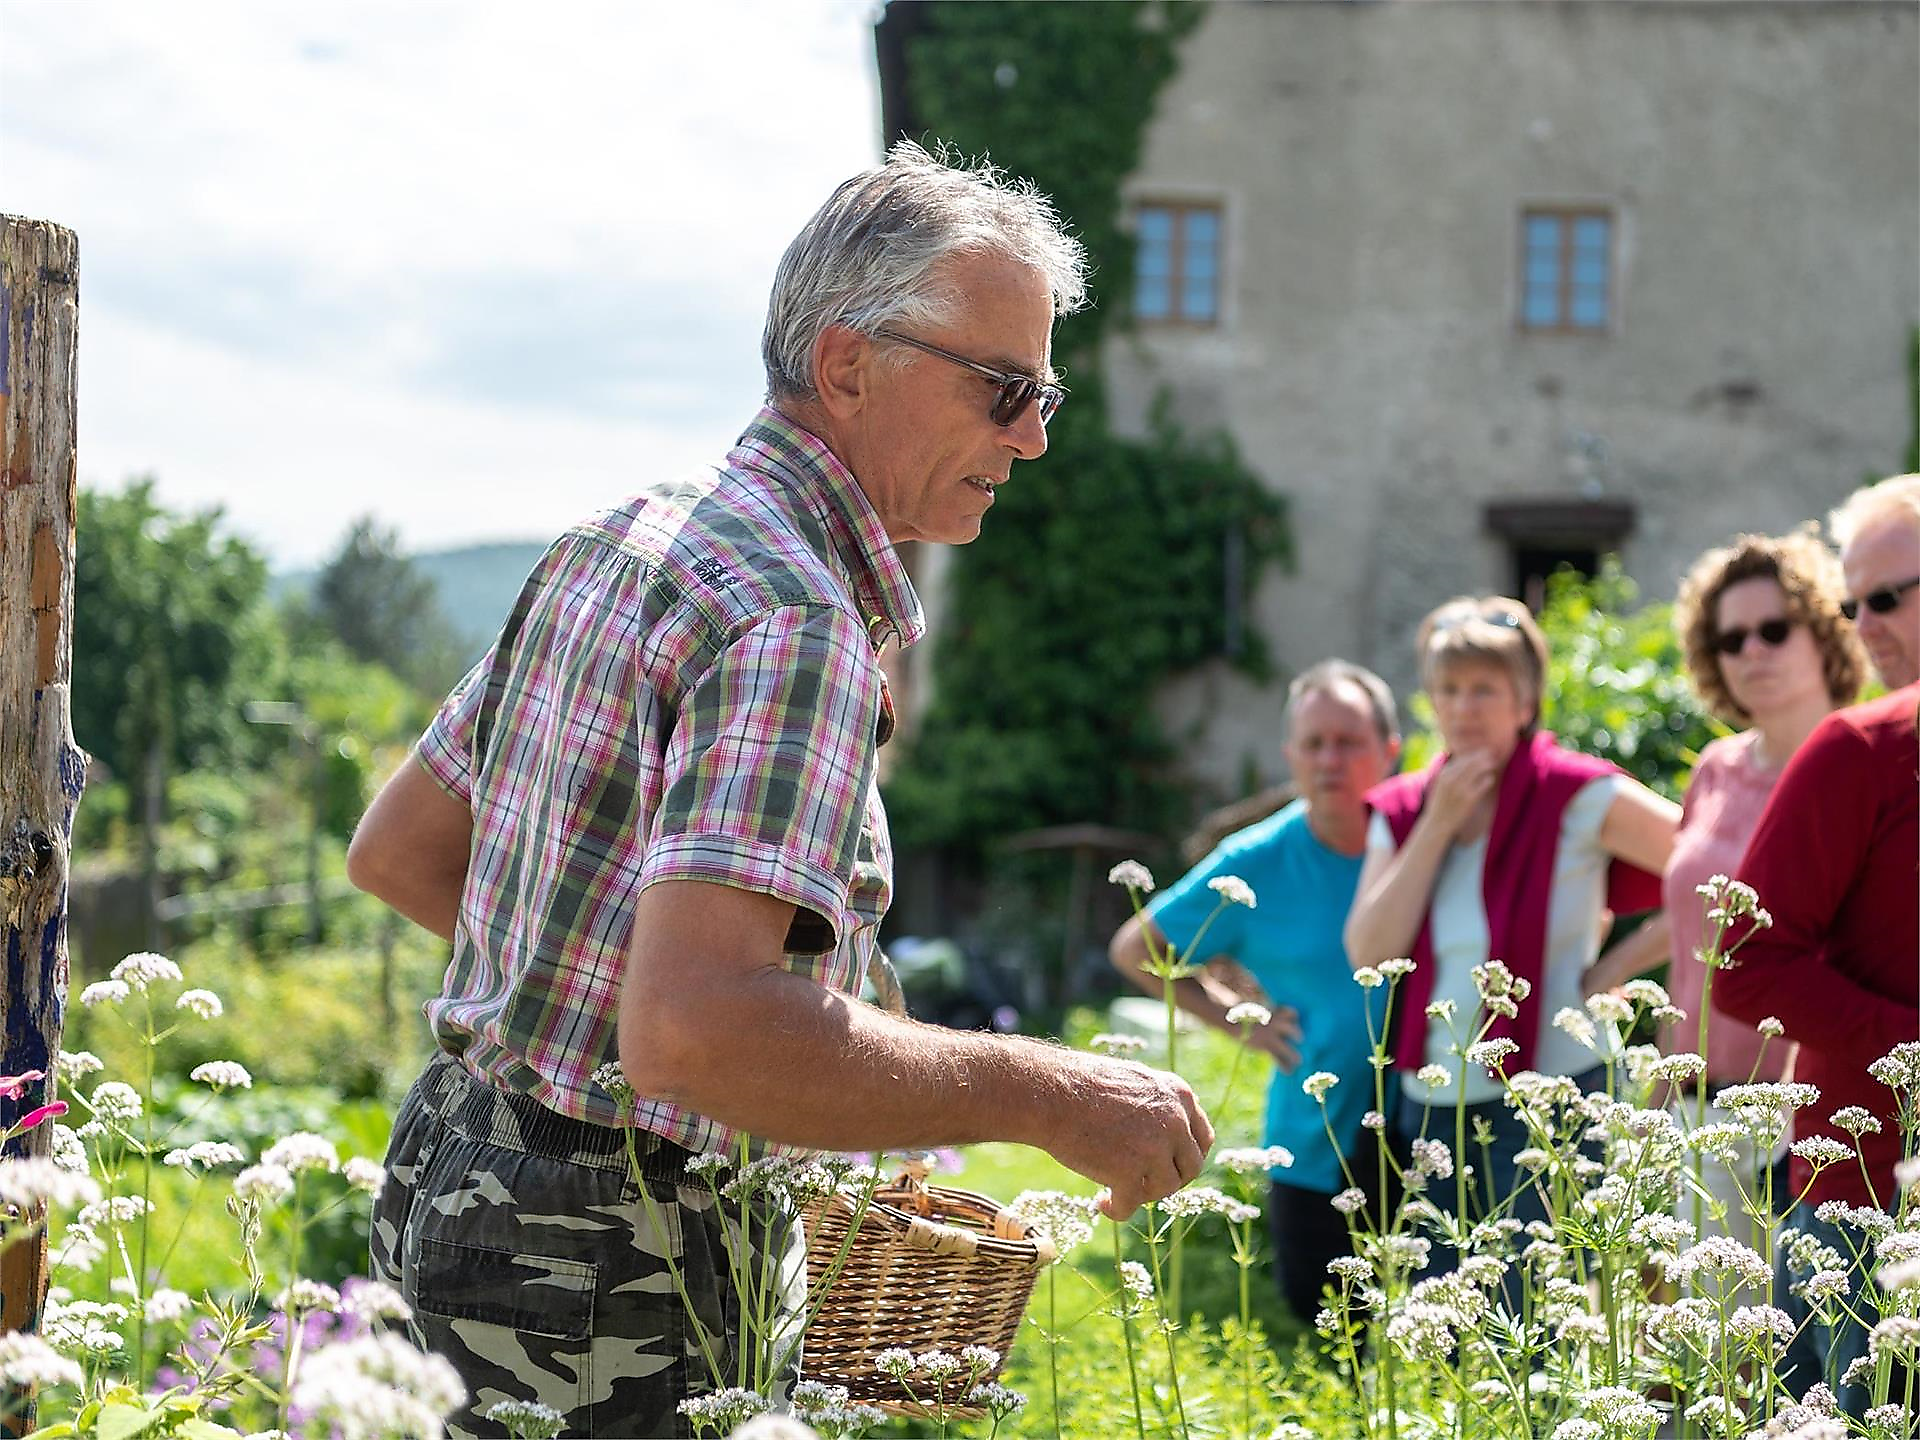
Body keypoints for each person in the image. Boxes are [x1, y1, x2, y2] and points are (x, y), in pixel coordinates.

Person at [345, 143, 1214, 1438]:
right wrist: (1049, 1094)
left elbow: (402, 851)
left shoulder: (624, 535)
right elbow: (694, 1035)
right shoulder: (796, 617)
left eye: (1046, 396)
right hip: (615, 1259)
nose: (1031, 437)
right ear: (850, 366)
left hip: (457, 1173)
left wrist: (596, 1018)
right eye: (1003, 390)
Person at [1343, 595, 1679, 1259]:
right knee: (1440, 1301)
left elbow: (1718, 869)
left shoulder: (1578, 794)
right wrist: (1438, 824)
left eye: (1484, 690)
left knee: (1542, 1314)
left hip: (1560, 1085)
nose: (1463, 708)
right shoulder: (1406, 808)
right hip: (1432, 1097)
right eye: (1448, 690)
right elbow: (1368, 951)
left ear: (1524, 704)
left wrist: (1618, 966)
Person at [1582, 530, 1865, 1242]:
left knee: (1806, 1345)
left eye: (1774, 629)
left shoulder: (1867, 767)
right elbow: (1698, 920)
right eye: (1730, 639)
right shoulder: (1715, 768)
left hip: (1816, 1114)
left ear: (1826, 629)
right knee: (1704, 1342)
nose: (1752, 652)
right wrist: (1614, 968)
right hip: (1699, 1107)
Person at [1108, 660, 1403, 1322]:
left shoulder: (1419, 838)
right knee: (1330, 1339)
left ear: (1390, 751)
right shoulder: (1257, 859)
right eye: (1314, 743)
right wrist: (1241, 1021)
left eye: (1349, 741)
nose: (1330, 759)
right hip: (1313, 1138)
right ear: (1290, 755)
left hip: (1425, 1125)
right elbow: (1135, 950)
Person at [1716, 475, 1920, 1416]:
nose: (1863, 625)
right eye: (1849, 604)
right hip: (1863, 1198)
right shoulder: (1857, 750)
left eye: (1886, 597)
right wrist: (1912, 1054)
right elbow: (1743, 961)